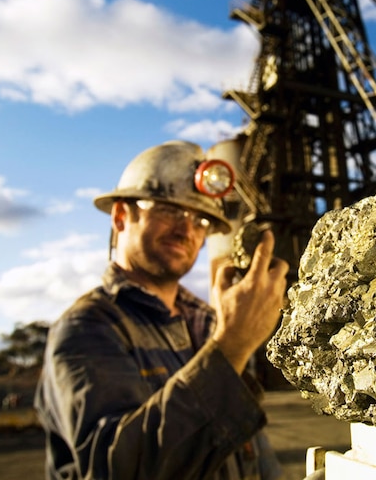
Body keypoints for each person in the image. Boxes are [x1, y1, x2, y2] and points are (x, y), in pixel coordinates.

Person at [35, 141, 289, 479]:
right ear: (122, 216)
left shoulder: (206, 323)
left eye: (200, 220)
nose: (187, 229)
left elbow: (250, 451)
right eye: (169, 210)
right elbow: (115, 470)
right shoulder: (87, 328)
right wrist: (233, 346)